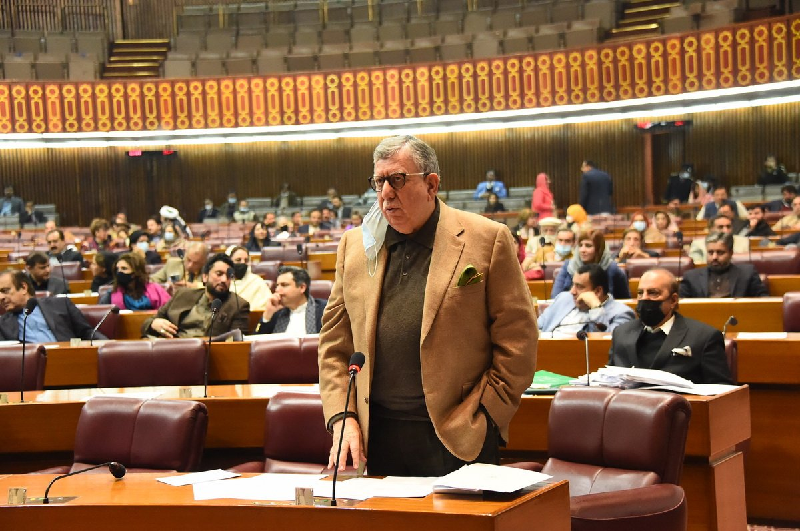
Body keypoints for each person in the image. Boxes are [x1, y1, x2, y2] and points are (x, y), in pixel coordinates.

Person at [319, 135, 537, 477]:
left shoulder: (486, 238)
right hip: (373, 440)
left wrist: (487, 415)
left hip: (458, 436)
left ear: (431, 184)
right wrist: (342, 416)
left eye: (398, 180)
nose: (386, 193)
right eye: (379, 182)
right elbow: (334, 346)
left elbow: (518, 340)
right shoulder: (354, 245)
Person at [608, 268, 734, 384]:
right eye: (640, 293)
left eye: (653, 293)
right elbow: (608, 380)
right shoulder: (621, 333)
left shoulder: (704, 337)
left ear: (673, 300)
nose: (644, 298)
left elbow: (722, 388)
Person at [141, 253, 250, 338]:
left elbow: (236, 344)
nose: (224, 280)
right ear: (205, 277)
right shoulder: (183, 294)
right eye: (219, 274)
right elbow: (148, 323)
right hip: (170, 348)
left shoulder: (237, 305)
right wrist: (153, 323)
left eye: (228, 276)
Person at [0, 270, 105, 342]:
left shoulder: (60, 304)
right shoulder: (2, 324)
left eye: (5, 291)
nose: (1, 297)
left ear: (23, 287)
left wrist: (108, 345)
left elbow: (87, 333)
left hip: (67, 360)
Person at [538, 264, 634, 334]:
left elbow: (606, 344)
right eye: (573, 284)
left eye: (579, 287)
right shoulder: (564, 298)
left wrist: (596, 308)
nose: (572, 291)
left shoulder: (622, 313)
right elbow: (537, 326)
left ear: (598, 291)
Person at [681, 232, 769, 298]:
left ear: (731, 253)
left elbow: (763, 302)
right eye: (710, 252)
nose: (714, 257)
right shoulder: (691, 277)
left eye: (720, 252)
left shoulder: (747, 273)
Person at [551, 230, 630, 300]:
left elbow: (625, 300)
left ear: (599, 249)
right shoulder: (568, 266)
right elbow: (555, 297)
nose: (582, 250)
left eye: (588, 246)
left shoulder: (611, 268)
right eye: (581, 245)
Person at [254, 266, 324, 335]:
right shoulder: (276, 312)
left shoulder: (324, 310)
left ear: (302, 287)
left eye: (284, 285)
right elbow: (255, 342)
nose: (277, 290)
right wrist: (267, 315)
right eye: (277, 285)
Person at [100, 252, 171, 310]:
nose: (119, 272)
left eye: (124, 268)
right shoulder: (110, 295)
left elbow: (168, 310)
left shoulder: (156, 290)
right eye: (117, 269)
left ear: (136, 272)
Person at [227, 246, 272, 311]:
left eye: (246, 260)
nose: (243, 263)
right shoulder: (223, 283)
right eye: (238, 260)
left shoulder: (256, 282)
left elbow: (267, 306)